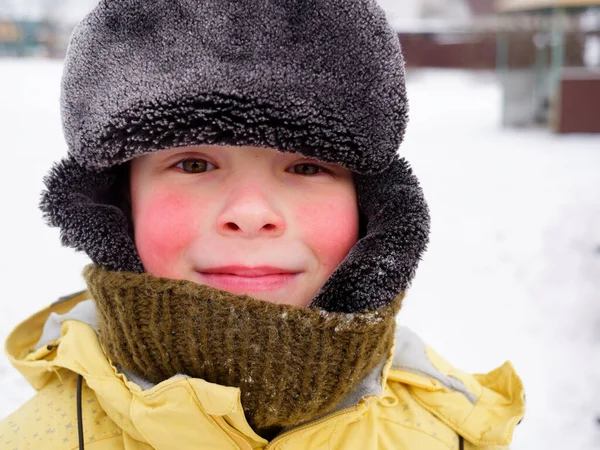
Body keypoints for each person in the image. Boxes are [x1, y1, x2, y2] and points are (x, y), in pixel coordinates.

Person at [0, 0, 525, 449]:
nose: (251, 214)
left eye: (306, 166)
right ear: (118, 203)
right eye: (194, 165)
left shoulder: (453, 432)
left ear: (374, 208)